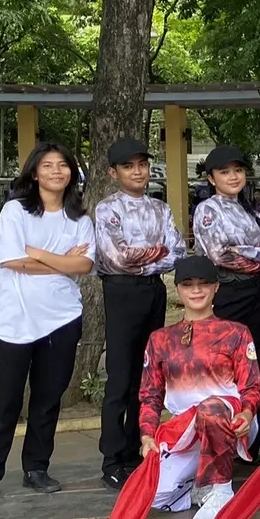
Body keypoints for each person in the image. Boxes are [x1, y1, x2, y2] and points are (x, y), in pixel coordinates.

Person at [0, 143, 96, 508]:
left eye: (63, 165)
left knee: (47, 399)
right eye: (48, 166)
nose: (57, 171)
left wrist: (35, 252)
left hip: (62, 318)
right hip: (14, 322)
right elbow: (12, 261)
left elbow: (84, 266)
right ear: (34, 173)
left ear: (71, 172)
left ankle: (36, 468)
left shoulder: (80, 219)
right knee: (4, 400)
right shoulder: (15, 211)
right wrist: (59, 262)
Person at [135, 256, 260, 519]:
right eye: (188, 284)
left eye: (204, 283)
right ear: (178, 289)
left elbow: (251, 386)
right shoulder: (160, 339)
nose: (196, 290)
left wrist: (249, 414)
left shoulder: (235, 333)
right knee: (152, 495)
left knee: (210, 407)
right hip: (186, 430)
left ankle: (222, 490)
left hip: (231, 422)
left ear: (216, 287)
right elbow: (150, 394)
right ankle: (200, 487)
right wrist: (147, 436)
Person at [94, 137, 185, 489]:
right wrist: (156, 252)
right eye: (128, 166)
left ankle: (138, 446)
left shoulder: (160, 209)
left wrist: (145, 256)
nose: (137, 171)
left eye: (142, 164)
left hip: (152, 292)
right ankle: (112, 457)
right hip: (120, 292)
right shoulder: (107, 210)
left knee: (147, 372)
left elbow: (176, 251)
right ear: (113, 172)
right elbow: (118, 258)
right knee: (120, 375)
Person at [192, 146, 260, 426]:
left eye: (238, 170)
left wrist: (245, 250)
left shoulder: (251, 210)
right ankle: (222, 431)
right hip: (228, 292)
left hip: (257, 291)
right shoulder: (207, 210)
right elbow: (220, 254)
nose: (233, 176)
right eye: (225, 172)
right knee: (223, 363)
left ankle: (250, 438)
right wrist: (256, 254)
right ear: (211, 178)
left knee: (254, 363)